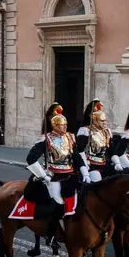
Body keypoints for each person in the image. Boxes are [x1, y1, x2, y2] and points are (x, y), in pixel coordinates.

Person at [20, 103, 90, 245]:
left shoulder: (70, 138)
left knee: (83, 198)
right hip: (54, 176)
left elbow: (76, 156)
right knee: (58, 202)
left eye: (65, 124)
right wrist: (44, 176)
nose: (65, 127)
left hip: (70, 175)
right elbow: (30, 159)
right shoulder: (46, 139)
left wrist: (84, 171)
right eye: (62, 125)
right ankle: (51, 235)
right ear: (55, 126)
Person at [76, 99, 122, 182]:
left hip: (104, 163)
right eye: (101, 121)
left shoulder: (106, 131)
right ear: (94, 119)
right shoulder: (85, 131)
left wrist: (117, 162)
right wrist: (85, 165)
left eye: (104, 121)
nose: (104, 123)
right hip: (91, 164)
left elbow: (111, 150)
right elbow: (80, 150)